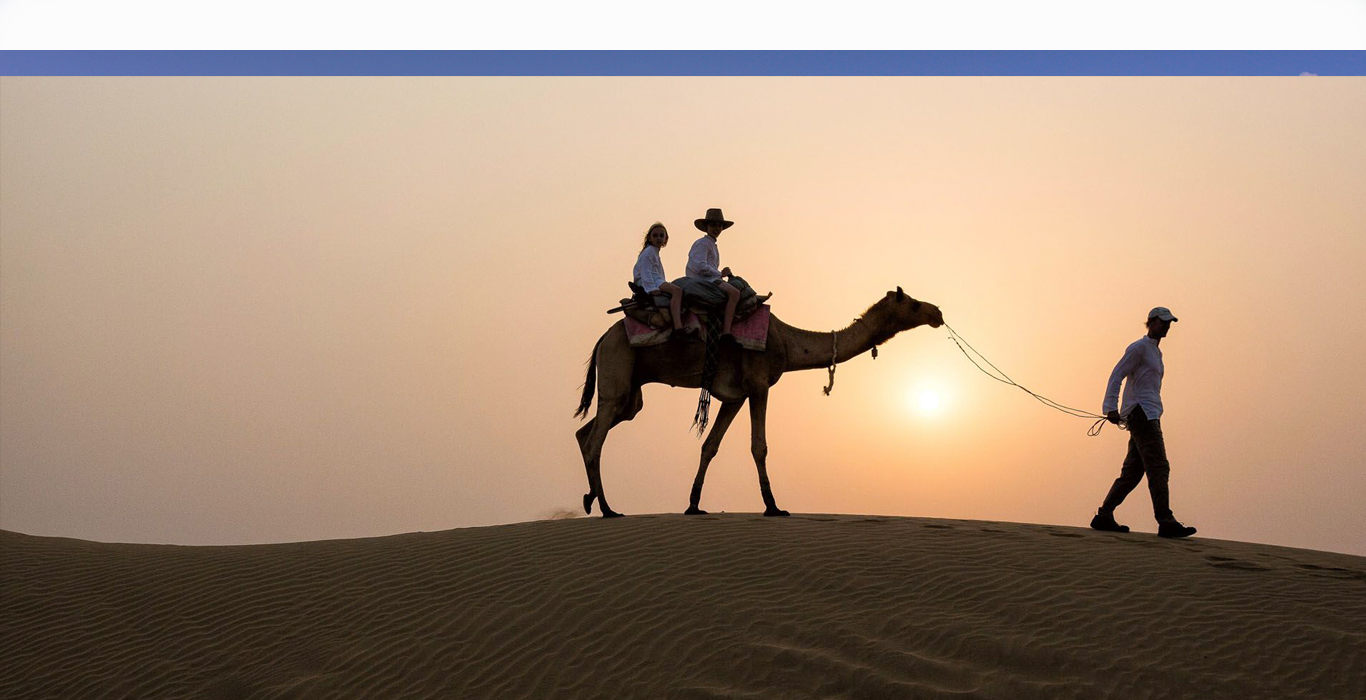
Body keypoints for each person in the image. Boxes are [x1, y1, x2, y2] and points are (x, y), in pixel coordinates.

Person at [1090, 307, 1198, 538]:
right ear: (1150, 322)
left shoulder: (1156, 353)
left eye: (1169, 323)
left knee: (1132, 472)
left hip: (1150, 414)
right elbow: (1117, 374)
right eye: (1162, 322)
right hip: (1142, 414)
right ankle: (1165, 520)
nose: (1167, 326)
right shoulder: (1138, 348)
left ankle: (1104, 515)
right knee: (1159, 467)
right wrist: (1110, 407)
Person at [678, 207, 749, 338]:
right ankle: (726, 331)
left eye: (719, 225)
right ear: (706, 226)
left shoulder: (711, 244)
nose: (716, 228)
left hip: (709, 278)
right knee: (734, 293)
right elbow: (700, 266)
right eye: (713, 225)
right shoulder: (703, 243)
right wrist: (719, 274)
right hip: (704, 280)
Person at [632, 222, 687, 333]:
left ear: (665, 239)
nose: (658, 238)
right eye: (655, 235)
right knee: (677, 291)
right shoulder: (649, 252)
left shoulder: (653, 252)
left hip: (655, 280)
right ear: (649, 238)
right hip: (651, 281)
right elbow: (645, 271)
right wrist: (651, 289)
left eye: (661, 236)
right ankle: (678, 326)